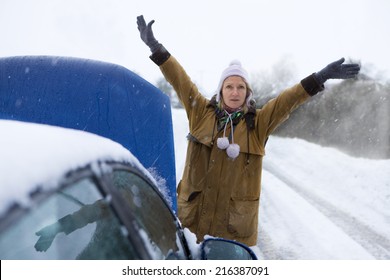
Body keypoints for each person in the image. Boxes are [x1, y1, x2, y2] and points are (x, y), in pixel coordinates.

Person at [136, 15, 360, 247]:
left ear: (247, 92)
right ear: (221, 90)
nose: (235, 92)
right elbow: (179, 80)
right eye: (229, 86)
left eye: (240, 87)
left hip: (232, 232)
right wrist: (155, 47)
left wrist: (320, 76)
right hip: (191, 222)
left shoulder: (259, 124)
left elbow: (287, 100)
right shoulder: (201, 113)